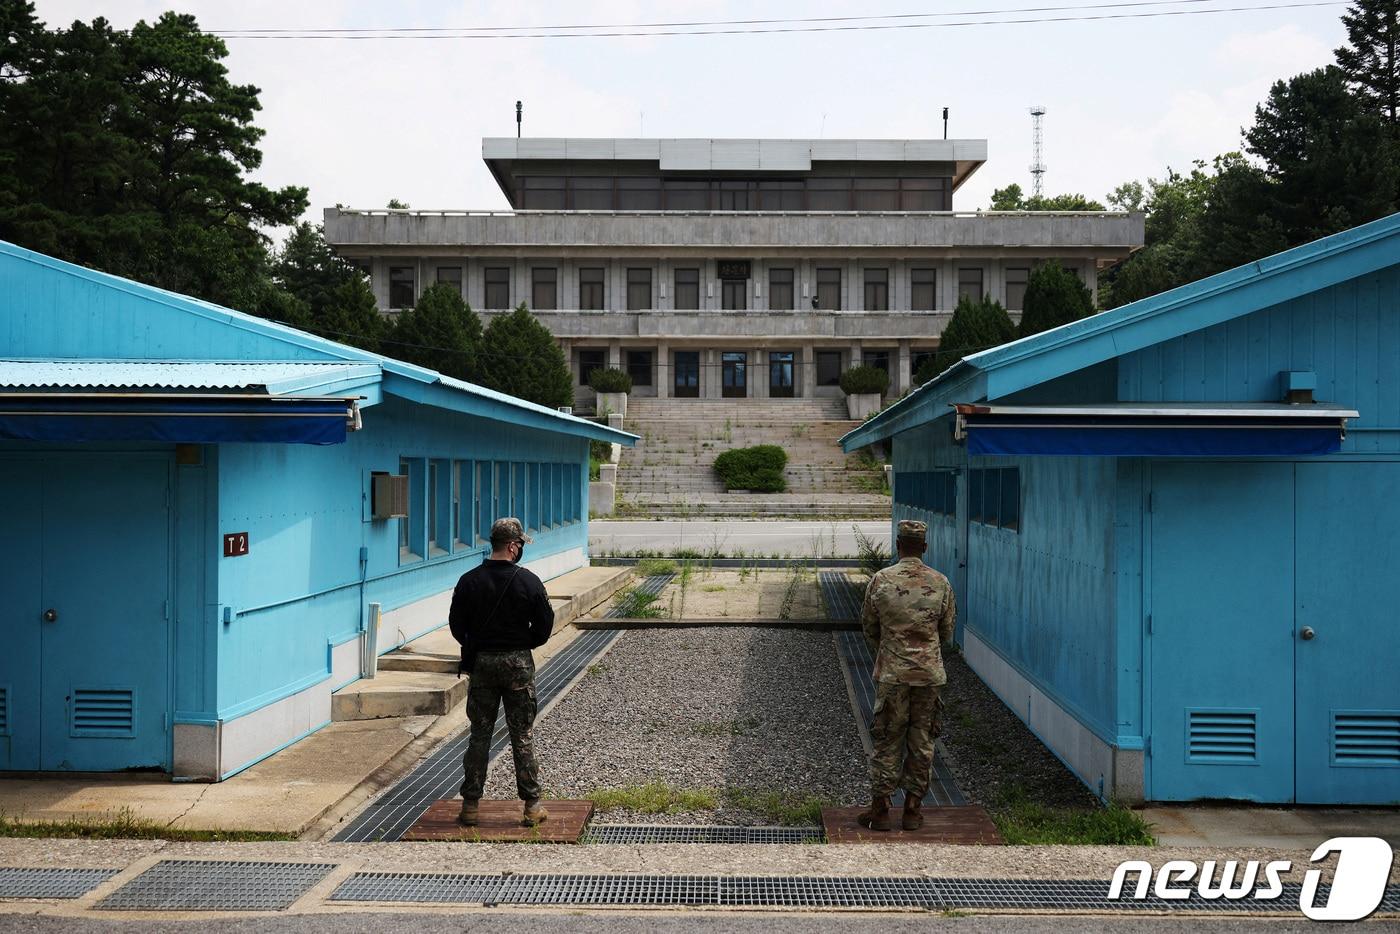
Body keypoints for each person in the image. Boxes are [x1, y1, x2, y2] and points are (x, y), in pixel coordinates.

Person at [448, 517, 555, 827]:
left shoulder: (468, 581)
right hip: (517, 665)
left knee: (479, 734)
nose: (520, 549)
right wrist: (522, 643)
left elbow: (456, 625)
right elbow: (544, 626)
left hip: (482, 664)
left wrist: (477, 644)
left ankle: (470, 806)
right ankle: (532, 806)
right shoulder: (529, 581)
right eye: (520, 544)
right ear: (512, 546)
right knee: (522, 734)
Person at [856, 519, 957, 831]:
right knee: (922, 740)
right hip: (928, 676)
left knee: (888, 738)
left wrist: (888, 652)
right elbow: (946, 631)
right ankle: (912, 810)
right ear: (924, 547)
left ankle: (880, 811)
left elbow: (869, 626)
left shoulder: (881, 580)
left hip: (893, 675)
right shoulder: (940, 583)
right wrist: (925, 652)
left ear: (898, 545)